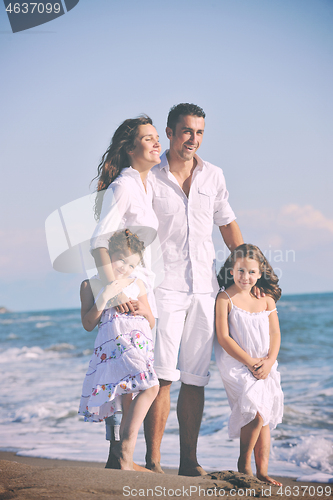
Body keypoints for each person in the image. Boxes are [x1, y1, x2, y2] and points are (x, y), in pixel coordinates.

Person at [144, 103, 244, 476]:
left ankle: (188, 461)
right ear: (169, 132)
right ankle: (153, 462)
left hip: (204, 290)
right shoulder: (149, 177)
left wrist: (251, 274)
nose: (193, 139)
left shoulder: (213, 175)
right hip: (162, 288)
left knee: (195, 379)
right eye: (187, 131)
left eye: (200, 132)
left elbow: (228, 225)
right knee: (161, 377)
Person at [89, 115, 162, 469]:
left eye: (155, 136)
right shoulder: (124, 185)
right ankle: (125, 453)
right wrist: (115, 292)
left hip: (140, 294)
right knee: (140, 380)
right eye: (147, 139)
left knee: (132, 381)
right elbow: (99, 242)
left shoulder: (145, 186)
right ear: (131, 148)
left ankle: (118, 456)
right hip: (126, 299)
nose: (156, 142)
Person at [79, 229, 159, 471]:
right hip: (114, 350)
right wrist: (104, 297)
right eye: (121, 259)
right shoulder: (90, 284)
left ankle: (125, 457)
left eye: (132, 263)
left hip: (139, 347)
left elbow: (151, 321)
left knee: (128, 402)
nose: (125, 267)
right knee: (150, 387)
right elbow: (88, 324)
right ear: (107, 254)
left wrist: (143, 310)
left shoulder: (139, 284)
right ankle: (124, 451)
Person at [214, 243, 284, 485]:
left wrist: (269, 361)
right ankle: (244, 464)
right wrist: (250, 362)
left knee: (263, 416)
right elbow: (223, 337)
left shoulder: (266, 300)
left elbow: (275, 334)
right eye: (241, 271)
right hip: (237, 363)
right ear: (231, 271)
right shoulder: (225, 298)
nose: (246, 277)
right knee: (254, 413)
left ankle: (262, 470)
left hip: (265, 366)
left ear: (260, 272)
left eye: (252, 272)